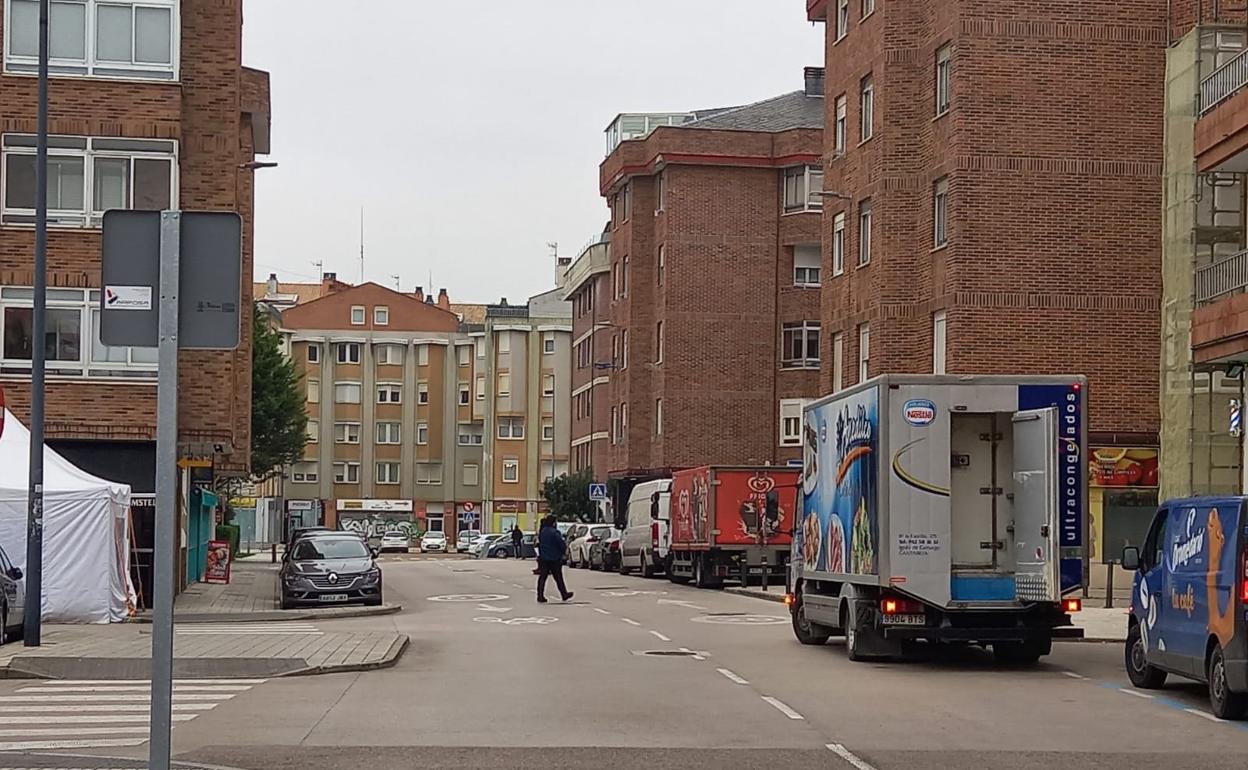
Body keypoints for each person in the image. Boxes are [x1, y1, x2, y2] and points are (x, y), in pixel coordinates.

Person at [536, 516, 573, 604]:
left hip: (544, 558)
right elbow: (561, 544)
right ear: (553, 523)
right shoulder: (555, 532)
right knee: (558, 578)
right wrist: (563, 552)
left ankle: (540, 595)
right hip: (554, 558)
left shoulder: (542, 532)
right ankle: (564, 594)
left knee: (542, 578)